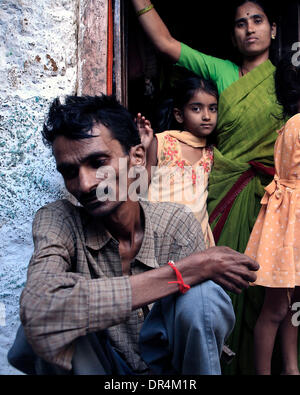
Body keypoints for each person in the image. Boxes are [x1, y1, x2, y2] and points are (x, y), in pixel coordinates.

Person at [8, 94, 259, 375]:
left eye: (98, 162)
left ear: (137, 157)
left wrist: (187, 277)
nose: (85, 184)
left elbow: (200, 320)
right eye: (69, 172)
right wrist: (185, 272)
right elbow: (39, 306)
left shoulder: (175, 223)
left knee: (203, 296)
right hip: (100, 368)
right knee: (48, 319)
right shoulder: (59, 219)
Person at [130, 0, 285, 374]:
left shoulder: (287, 82)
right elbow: (166, 45)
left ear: (273, 29)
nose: (249, 28)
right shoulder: (219, 71)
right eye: (240, 23)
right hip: (219, 195)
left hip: (269, 198)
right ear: (232, 34)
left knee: (261, 287)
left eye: (257, 20)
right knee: (211, 284)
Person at [245, 52, 300, 375]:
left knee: (291, 305)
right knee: (277, 307)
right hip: (291, 221)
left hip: (290, 218)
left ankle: (291, 368)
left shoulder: (291, 123)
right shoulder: (297, 124)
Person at [136, 76, 218, 248]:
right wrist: (142, 149)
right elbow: (138, 187)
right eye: (196, 109)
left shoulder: (211, 152)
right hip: (160, 235)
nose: (206, 116)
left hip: (196, 239)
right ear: (179, 115)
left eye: (212, 109)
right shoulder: (162, 142)